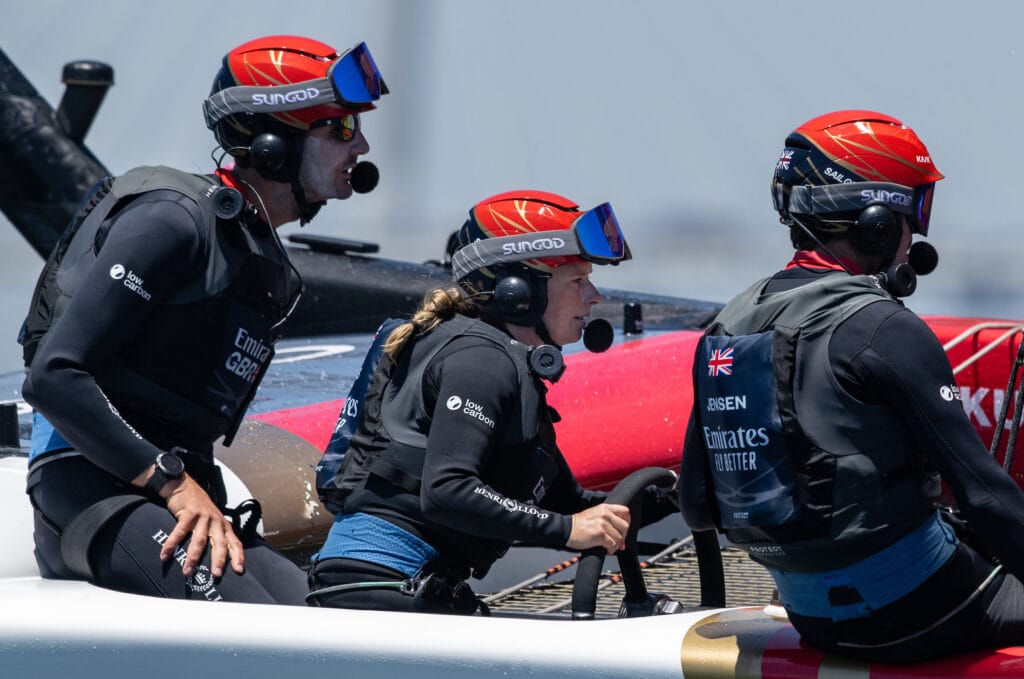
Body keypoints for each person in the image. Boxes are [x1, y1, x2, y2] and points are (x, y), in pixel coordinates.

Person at [20, 35, 388, 604]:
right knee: (273, 642)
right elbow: (53, 377)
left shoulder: (263, 258)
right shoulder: (172, 220)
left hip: (182, 490)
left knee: (326, 626)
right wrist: (173, 484)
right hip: (96, 489)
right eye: (340, 128)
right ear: (274, 144)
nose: (360, 145)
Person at [678, 110, 1024, 663]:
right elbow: (987, 499)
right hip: (919, 611)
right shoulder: (884, 328)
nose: (915, 237)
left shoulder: (727, 325)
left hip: (810, 619)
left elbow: (696, 505)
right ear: (876, 222)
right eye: (914, 212)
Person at [308, 190, 675, 613]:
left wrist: (679, 501)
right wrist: (569, 530)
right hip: (382, 586)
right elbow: (448, 491)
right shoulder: (481, 359)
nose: (593, 296)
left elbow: (567, 506)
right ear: (518, 291)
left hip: (384, 585)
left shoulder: (498, 358)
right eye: (577, 280)